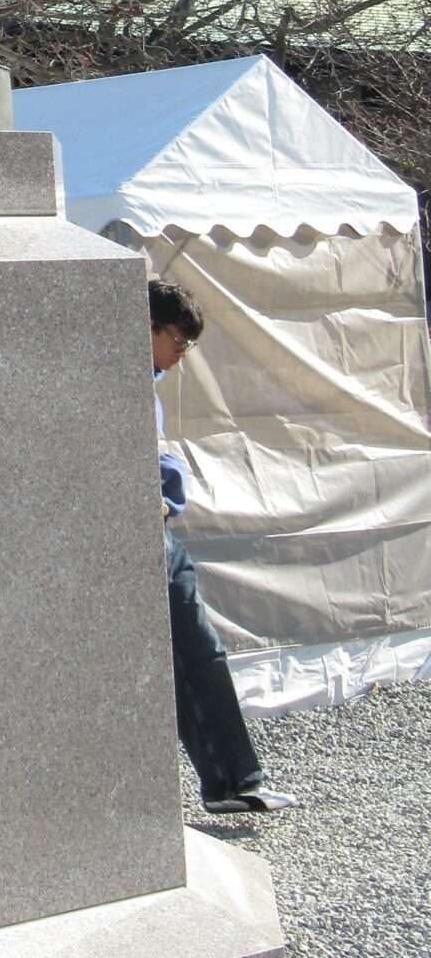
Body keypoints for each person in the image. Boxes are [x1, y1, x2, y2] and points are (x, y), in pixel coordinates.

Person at [150, 278, 295, 815]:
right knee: (192, 653)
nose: (183, 355)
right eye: (179, 341)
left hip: (156, 526)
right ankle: (230, 780)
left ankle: (231, 781)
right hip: (139, 531)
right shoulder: (116, 379)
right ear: (150, 328)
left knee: (197, 653)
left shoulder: (145, 378)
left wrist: (170, 492)